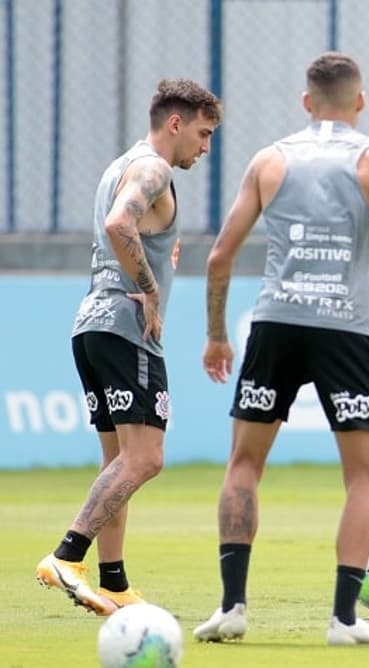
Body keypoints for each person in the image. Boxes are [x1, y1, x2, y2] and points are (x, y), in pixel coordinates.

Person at [193, 52, 369, 646]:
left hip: (275, 324)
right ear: (361, 102)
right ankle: (344, 620)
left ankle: (232, 608)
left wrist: (217, 332)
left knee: (243, 465)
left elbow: (220, 255)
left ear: (305, 101)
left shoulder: (271, 159)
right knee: (363, 477)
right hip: (344, 329)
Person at [34, 80, 222, 616]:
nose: (205, 148)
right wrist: (149, 287)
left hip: (91, 323)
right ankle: (68, 555)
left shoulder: (119, 164)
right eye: (203, 134)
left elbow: (118, 224)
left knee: (117, 461)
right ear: (176, 124)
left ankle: (113, 582)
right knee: (147, 458)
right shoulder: (154, 168)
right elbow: (121, 223)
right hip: (125, 327)